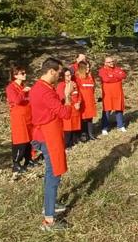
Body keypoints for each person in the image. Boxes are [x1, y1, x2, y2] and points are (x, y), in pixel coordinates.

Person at [30, 58, 77, 231]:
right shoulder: (45, 91)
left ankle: (50, 205)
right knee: (53, 174)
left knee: (52, 173)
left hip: (45, 133)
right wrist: (68, 96)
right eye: (58, 73)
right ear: (51, 71)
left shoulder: (40, 87)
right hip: (48, 136)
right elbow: (64, 113)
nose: (59, 76)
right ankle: (49, 219)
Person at [5, 65, 33, 176]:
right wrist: (23, 92)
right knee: (20, 140)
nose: (25, 75)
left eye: (25, 72)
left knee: (28, 140)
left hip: (27, 117)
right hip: (18, 118)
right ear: (15, 75)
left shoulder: (23, 86)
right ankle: (16, 163)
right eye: (22, 73)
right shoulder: (11, 88)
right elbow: (16, 100)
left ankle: (28, 159)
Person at [99, 56, 127, 135]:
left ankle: (120, 125)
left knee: (119, 109)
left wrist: (112, 76)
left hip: (118, 92)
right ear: (105, 63)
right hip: (108, 94)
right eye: (109, 62)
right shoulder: (102, 70)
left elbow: (123, 75)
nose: (111, 63)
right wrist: (117, 77)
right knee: (107, 110)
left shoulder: (117, 69)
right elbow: (106, 79)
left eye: (112, 61)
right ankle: (104, 127)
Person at [56, 67, 82, 148]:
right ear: (63, 76)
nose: (69, 77)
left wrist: (78, 102)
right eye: (67, 75)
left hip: (75, 109)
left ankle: (73, 142)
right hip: (67, 109)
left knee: (74, 126)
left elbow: (79, 95)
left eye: (70, 75)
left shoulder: (74, 83)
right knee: (67, 128)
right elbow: (62, 98)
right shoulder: (61, 85)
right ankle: (66, 144)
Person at [74, 61, 98, 142]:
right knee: (83, 118)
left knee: (90, 117)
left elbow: (93, 88)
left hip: (90, 100)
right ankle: (83, 134)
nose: (88, 69)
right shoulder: (77, 78)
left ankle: (91, 134)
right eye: (86, 67)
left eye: (89, 67)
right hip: (82, 101)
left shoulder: (90, 77)